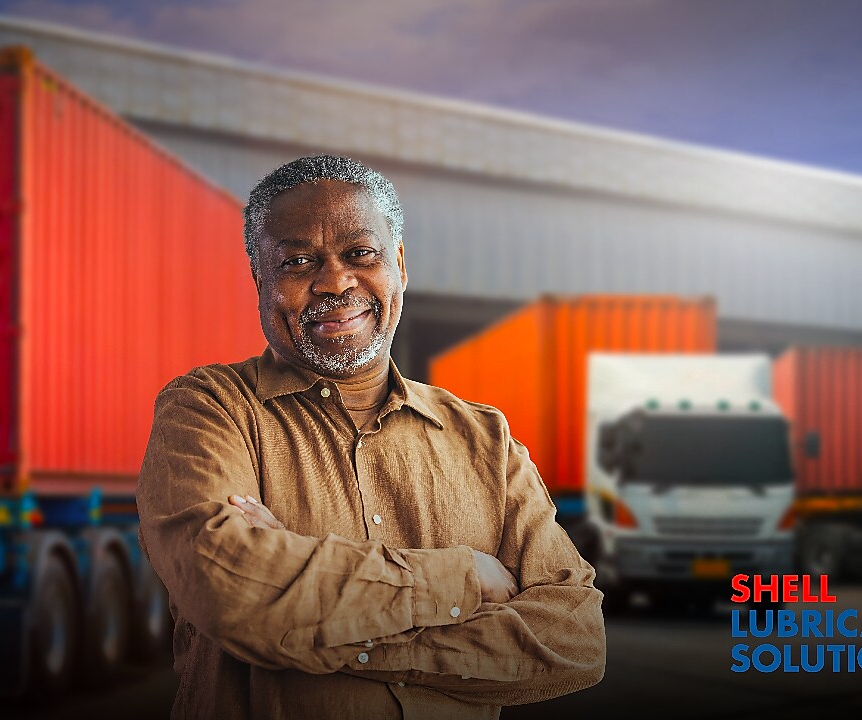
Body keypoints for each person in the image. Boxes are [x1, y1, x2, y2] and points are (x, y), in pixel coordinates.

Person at [137, 155, 605, 719]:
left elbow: (576, 640)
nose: (334, 282)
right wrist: (464, 579)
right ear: (260, 278)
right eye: (297, 261)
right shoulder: (210, 408)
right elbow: (226, 589)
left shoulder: (486, 439)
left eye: (360, 254)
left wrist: (319, 628)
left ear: (399, 265)